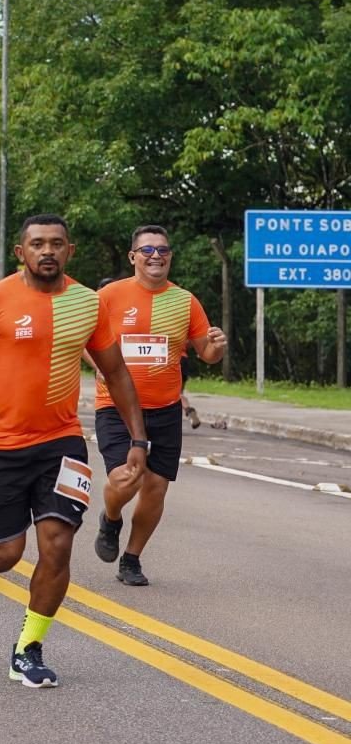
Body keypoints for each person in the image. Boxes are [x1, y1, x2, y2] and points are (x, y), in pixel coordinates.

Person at [0, 214, 148, 689]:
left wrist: (138, 439)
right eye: (37, 244)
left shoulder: (87, 303)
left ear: (69, 250)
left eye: (56, 244)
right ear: (21, 252)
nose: (46, 251)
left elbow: (115, 373)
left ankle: (28, 649)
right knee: (7, 552)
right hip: (0, 445)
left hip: (62, 444)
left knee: (57, 545)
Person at [94, 225, 227, 586]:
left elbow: (208, 353)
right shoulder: (108, 296)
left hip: (165, 408)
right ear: (132, 257)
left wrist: (217, 345)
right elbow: (86, 344)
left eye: (163, 250)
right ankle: (110, 518)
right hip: (117, 406)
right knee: (126, 478)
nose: (156, 256)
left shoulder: (185, 301)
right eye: (148, 250)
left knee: (155, 487)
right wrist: (104, 369)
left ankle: (131, 559)